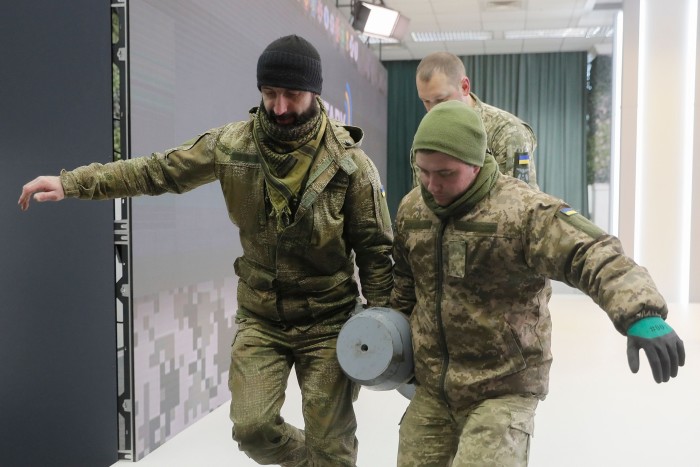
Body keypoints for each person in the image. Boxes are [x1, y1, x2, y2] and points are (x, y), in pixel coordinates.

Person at [18, 34, 394, 467]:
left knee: (333, 440)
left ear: (314, 93)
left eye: (292, 95)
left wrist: (380, 333)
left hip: (329, 320)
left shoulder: (350, 166)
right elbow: (156, 171)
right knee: (253, 430)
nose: (280, 108)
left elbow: (375, 252)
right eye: (270, 94)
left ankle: (329, 457)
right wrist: (72, 183)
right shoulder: (232, 147)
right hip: (262, 318)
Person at [390, 100, 685, 467]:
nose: (432, 185)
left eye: (446, 174)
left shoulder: (523, 211)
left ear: (476, 162)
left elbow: (591, 252)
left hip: (503, 386)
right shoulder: (412, 209)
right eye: (423, 172)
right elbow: (405, 281)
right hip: (433, 389)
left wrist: (641, 313)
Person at [413, 51, 539, 189]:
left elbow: (520, 201)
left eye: (441, 100)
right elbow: (421, 197)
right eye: (426, 101)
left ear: (464, 87)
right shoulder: (428, 133)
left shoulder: (507, 132)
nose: (433, 110)